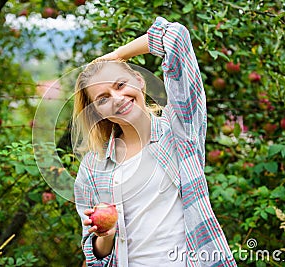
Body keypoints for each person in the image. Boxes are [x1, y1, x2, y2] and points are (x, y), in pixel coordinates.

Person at [73, 16, 237, 266]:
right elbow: (95, 255)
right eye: (103, 98)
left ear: (139, 81)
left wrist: (117, 56)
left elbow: (176, 37)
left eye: (120, 84)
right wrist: (105, 235)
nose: (117, 98)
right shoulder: (93, 168)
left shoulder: (179, 131)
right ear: (96, 111)